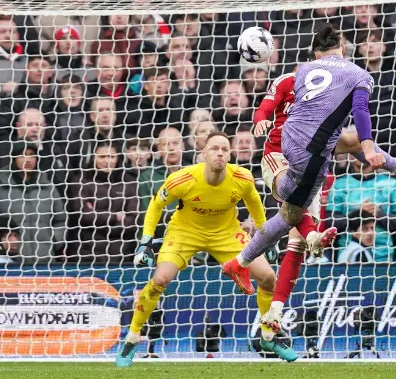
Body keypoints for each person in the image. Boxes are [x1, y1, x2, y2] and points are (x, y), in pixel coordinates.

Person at [223, 23, 396, 312]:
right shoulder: (292, 78)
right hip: (278, 153)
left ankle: (271, 310)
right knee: (293, 214)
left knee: (298, 209)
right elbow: (266, 105)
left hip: (313, 146)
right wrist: (260, 119)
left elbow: (352, 110)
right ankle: (303, 243)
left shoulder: (327, 78)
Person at [115, 132, 295, 367]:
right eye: (214, 149)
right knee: (160, 279)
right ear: (203, 153)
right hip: (184, 232)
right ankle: (132, 338)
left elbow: (256, 206)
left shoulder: (242, 177)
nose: (220, 153)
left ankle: (268, 337)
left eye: (224, 149)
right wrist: (146, 240)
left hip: (226, 233)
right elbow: (156, 205)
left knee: (269, 277)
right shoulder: (183, 179)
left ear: (229, 155)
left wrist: (266, 238)